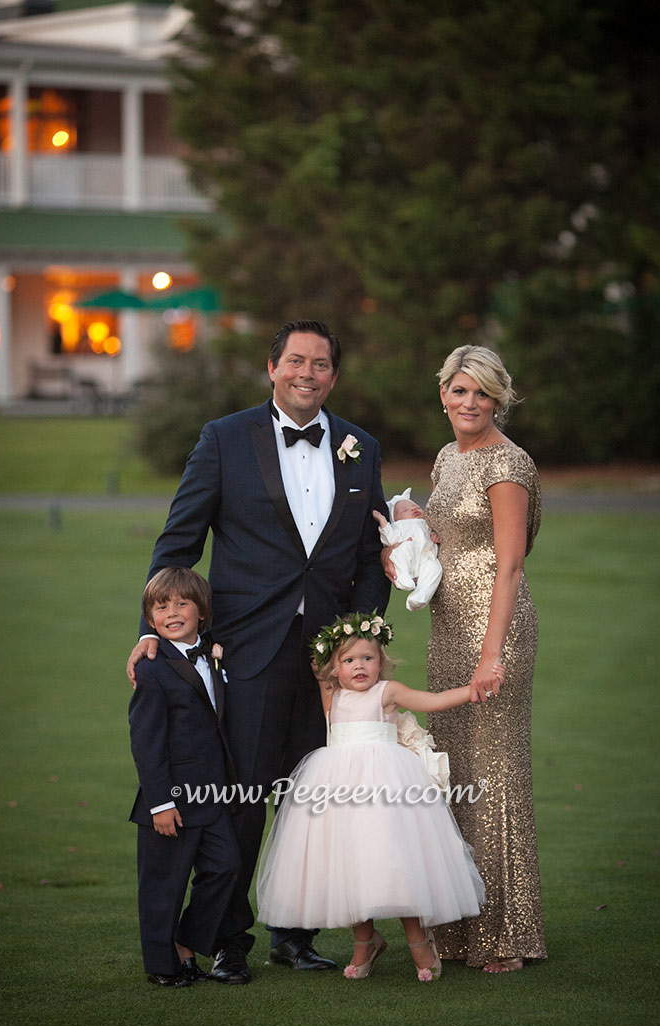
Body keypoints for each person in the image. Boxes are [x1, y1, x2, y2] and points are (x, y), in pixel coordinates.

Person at [126, 319, 391, 983]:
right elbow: (178, 541)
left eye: (321, 363)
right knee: (241, 802)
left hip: (329, 663)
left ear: (334, 374)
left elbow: (368, 556)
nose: (308, 373)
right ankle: (225, 938)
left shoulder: (361, 446)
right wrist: (154, 628)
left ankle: (295, 934)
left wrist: (356, 635)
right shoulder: (224, 438)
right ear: (271, 367)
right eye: (296, 360)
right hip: (244, 651)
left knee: (312, 801)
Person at [385, 344, 546, 973]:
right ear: (443, 396)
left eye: (481, 392)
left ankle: (507, 934)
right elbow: (445, 537)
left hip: (493, 629)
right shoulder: (448, 457)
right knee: (453, 774)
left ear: (499, 398)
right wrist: (404, 540)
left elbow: (508, 564)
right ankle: (457, 929)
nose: (469, 403)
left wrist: (491, 654)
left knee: (496, 775)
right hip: (448, 627)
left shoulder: (507, 464)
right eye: (459, 391)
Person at [256, 611, 504, 982]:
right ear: (334, 669)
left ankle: (419, 940)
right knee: (350, 865)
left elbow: (429, 701)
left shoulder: (387, 693)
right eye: (349, 660)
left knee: (395, 862)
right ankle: (365, 941)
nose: (359, 667)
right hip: (337, 791)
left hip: (388, 792)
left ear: (381, 662)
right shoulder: (332, 696)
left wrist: (469, 692)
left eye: (368, 658)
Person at [128, 567, 241, 987]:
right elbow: (147, 743)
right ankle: (163, 965)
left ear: (201, 611)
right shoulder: (152, 670)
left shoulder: (214, 653)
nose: (172, 613)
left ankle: (187, 941)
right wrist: (161, 803)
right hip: (170, 799)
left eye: (181, 604)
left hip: (211, 793)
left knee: (226, 868)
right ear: (151, 619)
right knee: (164, 885)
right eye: (161, 607)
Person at [372, 488, 443, 611]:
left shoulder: (425, 524)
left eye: (416, 507)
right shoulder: (399, 527)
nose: (413, 509)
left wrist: (434, 535)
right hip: (406, 559)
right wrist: (383, 522)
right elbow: (390, 539)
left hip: (425, 559)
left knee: (435, 568)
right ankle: (402, 577)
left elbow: (433, 534)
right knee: (405, 547)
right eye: (404, 510)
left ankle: (420, 596)